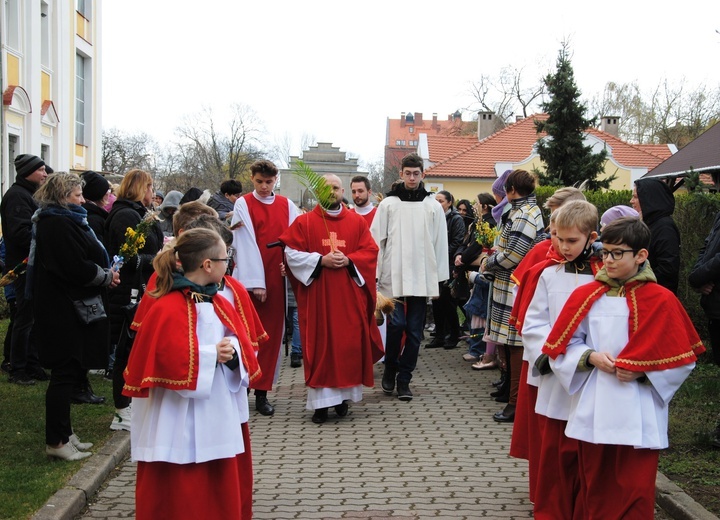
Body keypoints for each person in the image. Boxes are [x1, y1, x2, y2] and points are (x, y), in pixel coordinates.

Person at [543, 216, 704, 518]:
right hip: (595, 404)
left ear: (641, 255)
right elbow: (564, 346)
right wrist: (589, 357)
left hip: (639, 408)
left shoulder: (661, 300)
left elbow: (682, 360)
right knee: (595, 483)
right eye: (605, 252)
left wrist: (644, 372)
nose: (609, 260)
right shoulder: (587, 296)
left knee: (634, 487)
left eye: (619, 253)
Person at [123, 228, 260, 520]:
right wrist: (212, 355)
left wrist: (233, 349)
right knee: (181, 481)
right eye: (226, 257)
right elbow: (163, 357)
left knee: (218, 476)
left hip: (217, 406)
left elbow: (241, 342)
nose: (229, 263)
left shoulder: (221, 302)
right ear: (207, 265)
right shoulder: (166, 307)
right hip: (176, 414)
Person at [515, 201, 601, 517]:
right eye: (558, 239)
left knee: (586, 448)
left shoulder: (604, 277)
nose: (564, 247)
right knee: (555, 446)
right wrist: (556, 355)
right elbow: (534, 323)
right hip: (555, 373)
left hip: (593, 374)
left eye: (572, 241)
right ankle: (554, 506)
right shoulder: (547, 275)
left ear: (591, 237)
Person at [30, 173, 120, 461]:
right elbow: (73, 266)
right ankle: (56, 441)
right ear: (62, 196)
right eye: (77, 196)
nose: (83, 200)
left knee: (69, 372)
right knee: (64, 374)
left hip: (69, 305)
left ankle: (65, 434)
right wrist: (105, 276)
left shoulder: (65, 220)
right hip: (62, 308)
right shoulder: (56, 223)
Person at [280, 175, 383, 423]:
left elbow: (370, 252)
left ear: (342, 190)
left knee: (347, 347)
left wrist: (349, 260)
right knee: (322, 346)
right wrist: (320, 260)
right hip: (319, 298)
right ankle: (320, 406)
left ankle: (343, 399)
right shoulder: (304, 222)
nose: (332, 192)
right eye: (326, 188)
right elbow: (290, 254)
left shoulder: (356, 222)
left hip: (348, 298)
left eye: (336, 188)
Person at [371, 153, 449, 401]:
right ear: (401, 174)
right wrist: (375, 275)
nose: (412, 177)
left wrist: (438, 281)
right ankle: (391, 367)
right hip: (393, 275)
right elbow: (377, 241)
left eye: (417, 173)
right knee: (397, 326)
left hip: (421, 276)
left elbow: (439, 244)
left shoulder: (432, 205)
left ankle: (404, 378)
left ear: (423, 174)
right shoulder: (388, 204)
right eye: (408, 173)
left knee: (415, 332)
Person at [231, 159, 300, 415]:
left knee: (270, 337)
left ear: (276, 180)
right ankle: (241, 393)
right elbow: (244, 243)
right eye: (259, 181)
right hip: (250, 280)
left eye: (269, 182)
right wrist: (255, 282)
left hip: (277, 277)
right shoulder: (243, 203)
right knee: (246, 336)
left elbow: (295, 239)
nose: (263, 186)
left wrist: (289, 264)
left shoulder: (286, 205)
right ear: (252, 179)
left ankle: (262, 394)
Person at [481, 169, 544, 423]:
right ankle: (509, 390)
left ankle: (516, 403)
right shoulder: (520, 211)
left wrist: (490, 261)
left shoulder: (527, 214)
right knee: (507, 343)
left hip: (515, 285)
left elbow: (514, 254)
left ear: (511, 190)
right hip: (507, 284)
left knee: (515, 344)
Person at [104, 169, 164, 431]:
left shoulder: (138, 213)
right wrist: (158, 260)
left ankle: (132, 404)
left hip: (142, 287)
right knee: (125, 350)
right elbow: (127, 256)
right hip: (127, 291)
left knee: (134, 349)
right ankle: (121, 409)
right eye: (150, 187)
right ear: (140, 188)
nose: (153, 193)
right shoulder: (126, 214)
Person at [0, 154, 49, 385]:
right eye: (40, 170)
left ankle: (32, 363)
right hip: (22, 266)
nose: (45, 174)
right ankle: (17, 368)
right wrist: (47, 236)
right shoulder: (17, 196)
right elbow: (20, 233)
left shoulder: (28, 194)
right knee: (24, 318)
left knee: (34, 317)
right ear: (27, 172)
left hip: (32, 264)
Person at [73, 170, 113, 405]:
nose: (109, 195)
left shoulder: (97, 216)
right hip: (92, 284)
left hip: (100, 279)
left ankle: (82, 382)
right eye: (106, 191)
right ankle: (79, 384)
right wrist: (105, 274)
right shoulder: (92, 218)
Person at [427, 190, 465, 349]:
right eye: (436, 200)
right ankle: (440, 335)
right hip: (434, 264)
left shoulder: (456, 219)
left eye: (441, 201)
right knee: (436, 302)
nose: (438, 203)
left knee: (448, 302)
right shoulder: (433, 216)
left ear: (449, 202)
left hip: (448, 264)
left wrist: (440, 255)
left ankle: (454, 334)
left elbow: (457, 242)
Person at [630, 178, 680, 293]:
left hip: (657, 295)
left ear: (649, 199)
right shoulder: (649, 223)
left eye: (636, 197)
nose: (631, 201)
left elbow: (668, 268)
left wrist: (636, 279)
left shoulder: (664, 227)